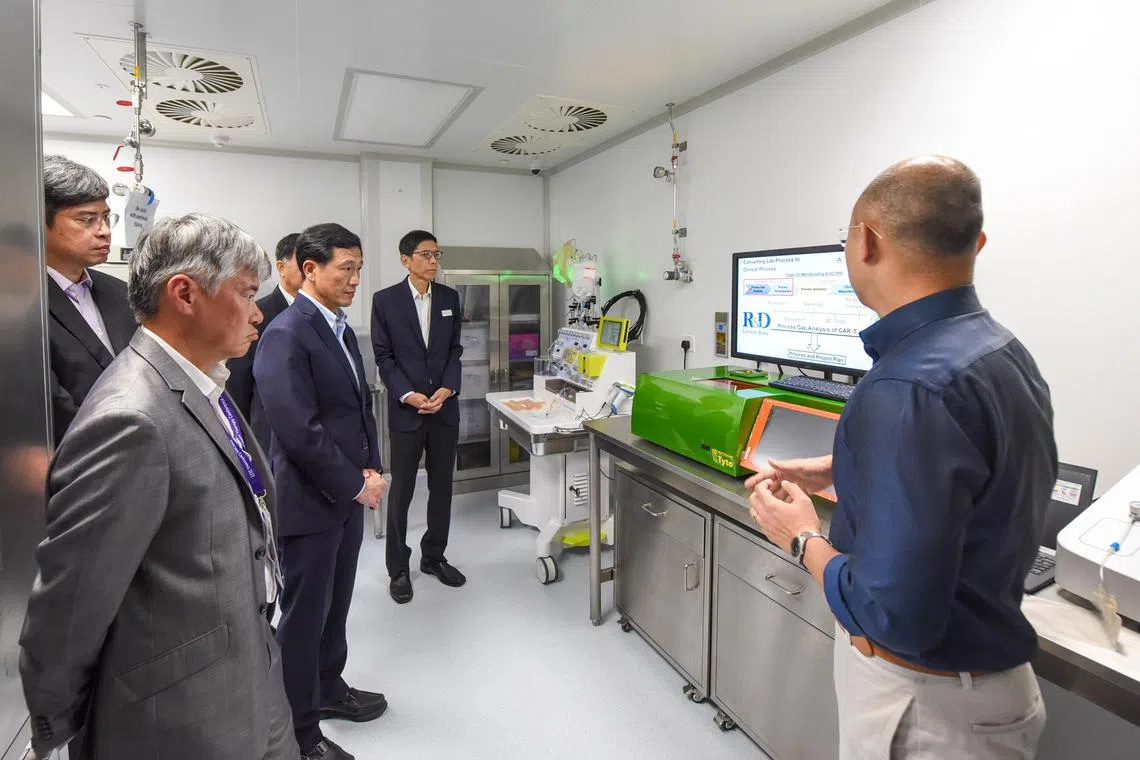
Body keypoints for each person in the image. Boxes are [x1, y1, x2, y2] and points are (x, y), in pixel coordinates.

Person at [746, 156, 1057, 760]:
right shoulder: (1000, 352)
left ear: (864, 242)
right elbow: (971, 474)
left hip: (926, 706)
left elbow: (896, 615)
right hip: (990, 691)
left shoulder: (907, 386)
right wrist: (842, 468)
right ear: (977, 243)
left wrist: (800, 537)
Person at [19, 213, 297, 759]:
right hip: (178, 714)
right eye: (245, 293)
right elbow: (71, 602)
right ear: (185, 294)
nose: (258, 311)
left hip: (248, 669)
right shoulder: (132, 417)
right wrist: (60, 730)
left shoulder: (204, 383)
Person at [254, 222, 388, 760]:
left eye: (359, 268)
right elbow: (298, 432)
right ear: (310, 269)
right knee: (304, 618)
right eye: (346, 268)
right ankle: (298, 734)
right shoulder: (286, 333)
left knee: (336, 607)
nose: (356, 279)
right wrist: (356, 483)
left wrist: (372, 470)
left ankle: (329, 690)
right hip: (309, 505)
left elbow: (358, 409)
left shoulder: (339, 328)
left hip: (347, 500)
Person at [371, 229, 465, 604]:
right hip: (407, 413)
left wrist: (448, 388)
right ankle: (398, 568)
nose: (433, 261)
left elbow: (455, 350)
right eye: (426, 255)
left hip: (444, 410)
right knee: (403, 492)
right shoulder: (386, 301)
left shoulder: (449, 298)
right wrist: (408, 395)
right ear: (405, 259)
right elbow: (384, 357)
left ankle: (433, 556)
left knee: (442, 488)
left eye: (436, 255)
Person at [43, 155, 137, 444]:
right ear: (39, 220)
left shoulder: (120, 293)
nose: (105, 231)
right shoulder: (19, 303)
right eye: (87, 220)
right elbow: (53, 408)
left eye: (106, 218)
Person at [226, 231, 303, 453]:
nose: (311, 272)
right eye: (303, 264)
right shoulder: (258, 314)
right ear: (281, 267)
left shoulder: (322, 315)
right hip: (269, 438)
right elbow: (239, 383)